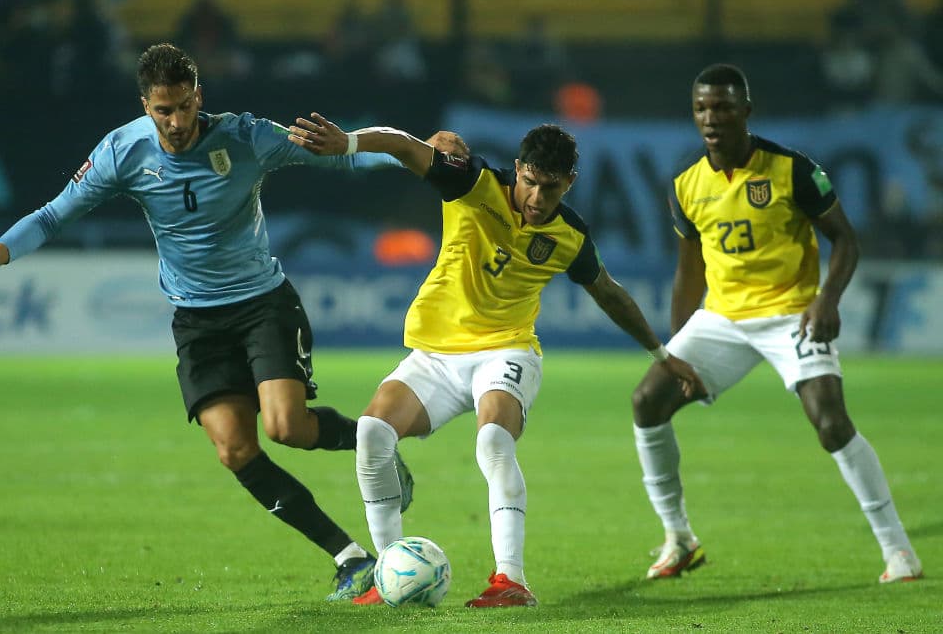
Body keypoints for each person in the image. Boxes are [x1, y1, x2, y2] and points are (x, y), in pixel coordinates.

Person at [0, 43, 470, 601]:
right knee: (235, 450)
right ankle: (350, 559)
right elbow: (52, 215)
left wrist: (416, 151)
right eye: (163, 110)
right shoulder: (122, 151)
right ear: (145, 105)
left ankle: (375, 446)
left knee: (285, 427)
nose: (176, 121)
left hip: (263, 303)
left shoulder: (245, 137)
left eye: (185, 107)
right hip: (196, 321)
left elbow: (340, 154)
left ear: (199, 99)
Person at [287, 114, 704, 607]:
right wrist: (349, 143)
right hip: (437, 355)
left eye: (550, 188)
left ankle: (511, 581)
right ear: (518, 168)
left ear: (570, 183)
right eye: (529, 182)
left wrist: (661, 353)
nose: (536, 198)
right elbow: (402, 144)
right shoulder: (471, 181)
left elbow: (609, 294)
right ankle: (389, 572)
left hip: (507, 350)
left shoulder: (570, 236)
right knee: (372, 433)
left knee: (492, 441)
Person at [631, 63, 923, 584]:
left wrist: (826, 300)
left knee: (830, 421)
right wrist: (674, 350)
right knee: (646, 401)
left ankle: (898, 551)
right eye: (702, 107)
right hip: (723, 319)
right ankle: (679, 538)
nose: (711, 117)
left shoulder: (792, 170)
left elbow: (846, 240)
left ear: (746, 110)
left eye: (722, 106)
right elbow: (687, 273)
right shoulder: (685, 186)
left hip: (791, 313)